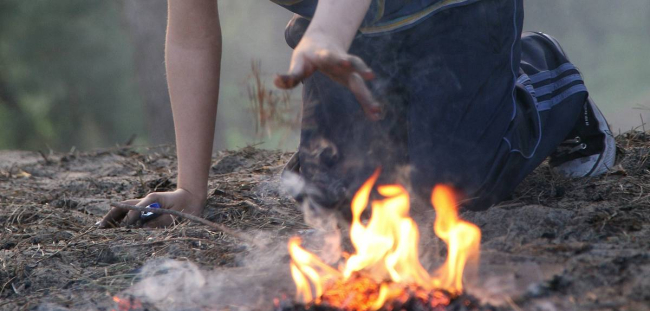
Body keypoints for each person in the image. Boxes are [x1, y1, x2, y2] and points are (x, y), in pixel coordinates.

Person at [100, 0, 616, 228]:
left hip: (457, 8)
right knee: (335, 197)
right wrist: (191, 189)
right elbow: (190, 38)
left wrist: (327, 33)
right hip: (355, 28)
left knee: (458, 185)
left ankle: (545, 74)